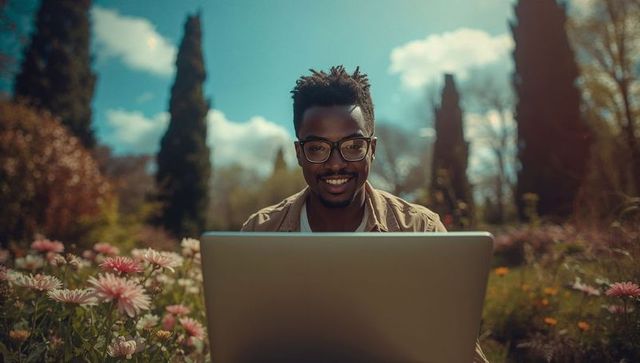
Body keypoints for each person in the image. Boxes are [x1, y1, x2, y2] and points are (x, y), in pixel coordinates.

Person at [241, 65, 488, 362]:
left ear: (372, 149)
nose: (336, 164)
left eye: (353, 146)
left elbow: (458, 347)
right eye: (318, 148)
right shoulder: (259, 232)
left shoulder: (421, 229)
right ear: (298, 154)